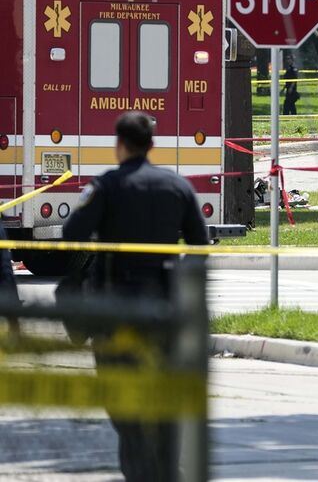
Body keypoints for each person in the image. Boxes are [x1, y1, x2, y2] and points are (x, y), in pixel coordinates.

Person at [63, 111, 208, 482]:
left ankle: (140, 469)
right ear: (152, 145)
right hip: (164, 309)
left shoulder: (107, 186)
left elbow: (71, 231)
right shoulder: (177, 187)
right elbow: (200, 245)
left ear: (119, 145)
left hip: (117, 311)